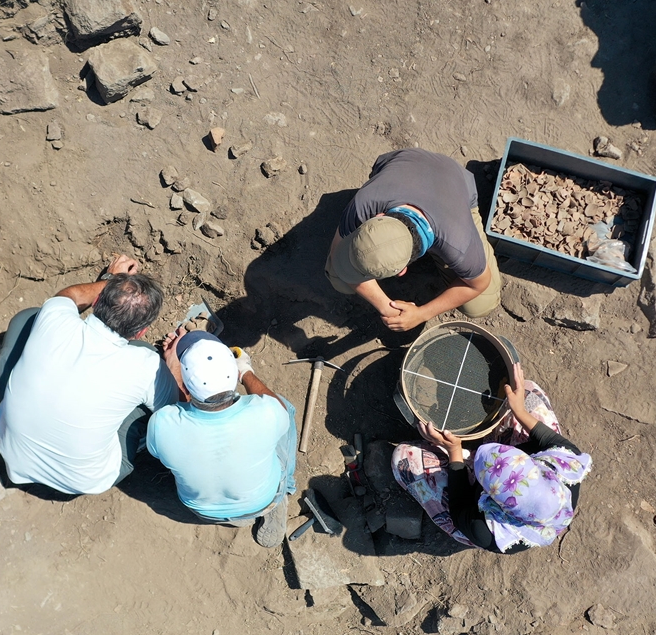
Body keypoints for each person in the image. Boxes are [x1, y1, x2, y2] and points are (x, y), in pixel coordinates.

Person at [0, 255, 179, 495]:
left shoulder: (56, 318)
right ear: (142, 331)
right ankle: (138, 446)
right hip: (80, 481)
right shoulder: (147, 365)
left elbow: (70, 295)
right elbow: (174, 411)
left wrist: (112, 280)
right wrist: (173, 366)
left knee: (28, 318)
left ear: (97, 302)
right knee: (147, 396)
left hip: (8, 447)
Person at [390, 364, 591, 553]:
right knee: (527, 392)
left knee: (403, 459)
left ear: (494, 498)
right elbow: (543, 434)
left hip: (467, 506)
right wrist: (518, 409)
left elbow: (460, 503)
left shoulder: (485, 530)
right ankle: (487, 447)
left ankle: (467, 465)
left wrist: (454, 451)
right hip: (505, 475)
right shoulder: (565, 461)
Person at [148, 330, 298, 547]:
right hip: (262, 500)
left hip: (204, 512)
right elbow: (279, 408)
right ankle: (283, 493)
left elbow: (179, 413)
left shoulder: (161, 424)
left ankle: (241, 520)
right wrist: (246, 371)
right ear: (233, 374)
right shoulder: (267, 413)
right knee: (284, 407)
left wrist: (173, 370)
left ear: (187, 386)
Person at [326, 148, 502, 332]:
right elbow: (336, 249)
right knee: (338, 276)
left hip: (457, 185)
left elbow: (479, 283)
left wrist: (422, 313)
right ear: (378, 216)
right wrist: (386, 306)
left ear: (402, 271)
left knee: (481, 304)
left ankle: (445, 254)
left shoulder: (460, 245)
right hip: (407, 161)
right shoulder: (364, 203)